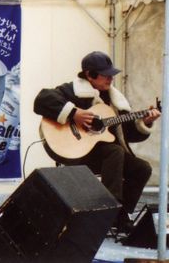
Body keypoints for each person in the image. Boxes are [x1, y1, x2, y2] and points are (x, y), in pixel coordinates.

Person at [33, 51, 160, 233]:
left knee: (142, 168)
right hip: (75, 152)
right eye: (105, 74)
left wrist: (145, 122)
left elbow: (128, 135)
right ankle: (107, 212)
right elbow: (42, 99)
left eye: (111, 74)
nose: (111, 78)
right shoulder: (73, 90)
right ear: (89, 74)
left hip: (106, 157)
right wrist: (73, 113)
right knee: (115, 152)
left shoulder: (116, 101)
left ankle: (121, 213)